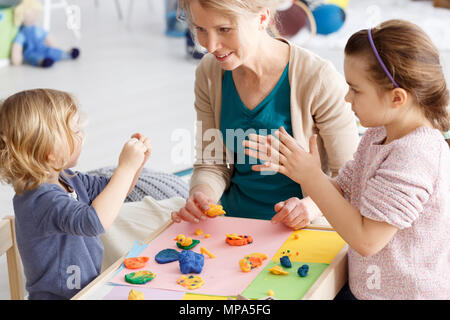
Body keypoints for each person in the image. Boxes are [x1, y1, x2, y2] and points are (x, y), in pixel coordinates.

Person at [244, 19, 450, 299]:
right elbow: (345, 188)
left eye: (356, 89)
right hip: (364, 288)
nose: (347, 98)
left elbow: (367, 240)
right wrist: (302, 170)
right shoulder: (379, 133)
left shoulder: (415, 156)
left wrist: (312, 178)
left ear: (397, 98)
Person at [171, 0, 359, 229]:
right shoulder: (209, 73)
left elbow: (350, 180)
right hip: (231, 225)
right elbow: (212, 163)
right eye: (200, 29)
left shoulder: (319, 78)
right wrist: (202, 197)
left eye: (224, 30)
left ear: (262, 18)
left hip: (304, 230)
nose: (209, 46)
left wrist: (309, 208)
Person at [0, 89, 151, 299]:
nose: (82, 135)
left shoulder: (68, 178)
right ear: (49, 151)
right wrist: (125, 168)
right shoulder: (40, 199)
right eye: (75, 130)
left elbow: (114, 191)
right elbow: (94, 221)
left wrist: (135, 167)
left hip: (88, 291)